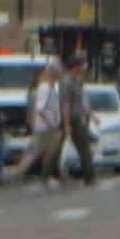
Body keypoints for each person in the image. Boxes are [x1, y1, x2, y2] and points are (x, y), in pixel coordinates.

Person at [21, 57, 66, 188]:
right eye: (58, 73)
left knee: (45, 151)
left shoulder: (51, 88)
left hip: (49, 125)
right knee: (42, 152)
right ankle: (39, 176)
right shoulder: (45, 88)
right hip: (46, 126)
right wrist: (51, 123)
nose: (60, 76)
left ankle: (46, 176)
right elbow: (40, 108)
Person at [62, 53, 98, 188]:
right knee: (82, 147)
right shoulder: (66, 82)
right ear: (75, 67)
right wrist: (66, 124)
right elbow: (65, 104)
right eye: (82, 65)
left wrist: (92, 115)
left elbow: (82, 102)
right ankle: (90, 178)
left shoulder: (78, 82)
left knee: (84, 147)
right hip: (70, 118)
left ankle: (89, 177)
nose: (84, 68)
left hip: (78, 117)